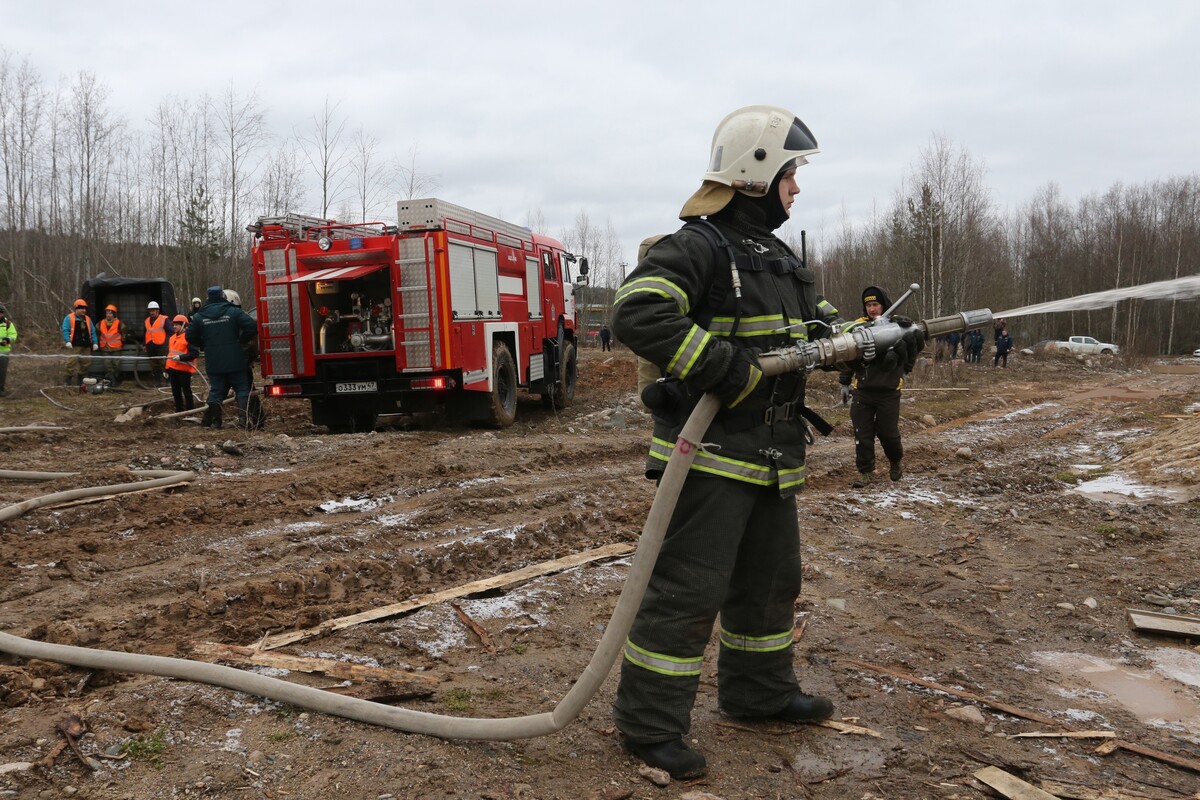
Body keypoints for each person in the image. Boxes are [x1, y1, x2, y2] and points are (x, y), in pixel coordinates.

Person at [609, 105, 862, 780]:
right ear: (755, 173)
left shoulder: (777, 259)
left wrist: (879, 345)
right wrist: (721, 365)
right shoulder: (697, 247)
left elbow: (822, 333)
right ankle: (650, 726)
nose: (796, 189)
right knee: (687, 593)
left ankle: (759, 695)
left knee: (769, 586)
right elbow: (636, 311)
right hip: (710, 459)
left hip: (773, 455)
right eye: (790, 175)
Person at [838, 286, 921, 488]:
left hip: (888, 391)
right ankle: (866, 473)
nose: (872, 309)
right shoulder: (858, 327)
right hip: (863, 390)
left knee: (888, 433)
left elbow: (913, 348)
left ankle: (895, 461)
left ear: (884, 304)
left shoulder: (898, 325)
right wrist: (844, 383)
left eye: (875, 304)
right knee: (862, 434)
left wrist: (905, 370)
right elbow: (849, 355)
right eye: (868, 305)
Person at [179, 286, 255, 429]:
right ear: (222, 296)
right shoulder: (234, 312)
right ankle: (243, 421)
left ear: (208, 298)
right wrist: (241, 341)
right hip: (235, 359)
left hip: (214, 361)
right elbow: (251, 326)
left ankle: (216, 422)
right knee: (242, 389)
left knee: (216, 391)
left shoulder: (200, 317)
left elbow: (189, 336)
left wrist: (205, 344)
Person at [61, 299, 97, 386]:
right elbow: (65, 330)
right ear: (76, 309)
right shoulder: (69, 318)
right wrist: (67, 341)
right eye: (81, 308)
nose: (84, 310)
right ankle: (67, 381)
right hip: (74, 345)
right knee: (71, 362)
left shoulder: (88, 319)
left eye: (84, 308)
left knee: (86, 363)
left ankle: (81, 381)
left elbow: (93, 331)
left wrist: (95, 343)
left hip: (86, 345)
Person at [165, 314, 196, 413]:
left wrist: (181, 358)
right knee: (176, 392)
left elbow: (195, 353)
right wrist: (166, 369)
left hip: (184, 371)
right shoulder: (172, 338)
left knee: (186, 392)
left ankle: (190, 412)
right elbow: (170, 354)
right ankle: (179, 411)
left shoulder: (189, 337)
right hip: (173, 369)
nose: (174, 326)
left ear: (183, 325)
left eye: (177, 324)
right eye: (173, 324)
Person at [97, 304, 128, 386]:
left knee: (116, 365)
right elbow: (96, 333)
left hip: (116, 348)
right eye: (107, 313)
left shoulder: (119, 324)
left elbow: (124, 334)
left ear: (114, 314)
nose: (108, 315)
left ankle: (117, 380)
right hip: (105, 348)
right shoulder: (100, 323)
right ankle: (111, 381)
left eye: (110, 313)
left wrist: (122, 342)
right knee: (108, 365)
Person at [143, 301, 169, 384]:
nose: (151, 312)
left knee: (164, 364)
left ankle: (167, 381)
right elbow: (145, 333)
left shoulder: (164, 319)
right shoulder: (147, 321)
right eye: (150, 311)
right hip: (150, 346)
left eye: (153, 310)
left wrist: (166, 343)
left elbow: (170, 332)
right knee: (154, 365)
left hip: (161, 346)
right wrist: (144, 344)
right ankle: (158, 382)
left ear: (157, 310)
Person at [0, 303, 16, 397]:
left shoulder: (8, 324)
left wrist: (7, 340)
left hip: (4, 353)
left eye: (0, 313)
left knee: (2, 372)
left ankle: (1, 389)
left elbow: (13, 334)